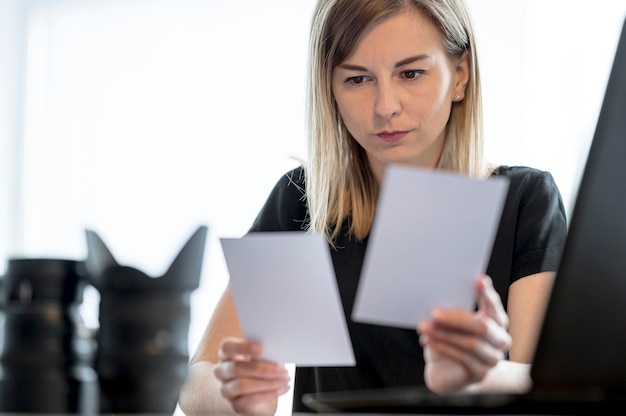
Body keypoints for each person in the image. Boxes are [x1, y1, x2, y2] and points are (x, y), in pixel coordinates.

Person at [178, 0, 568, 414]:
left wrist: (481, 377)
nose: (386, 106)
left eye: (411, 73)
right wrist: (236, 395)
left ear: (460, 74)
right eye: (358, 79)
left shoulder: (525, 200)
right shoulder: (304, 201)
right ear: (329, 88)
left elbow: (549, 385)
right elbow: (197, 380)